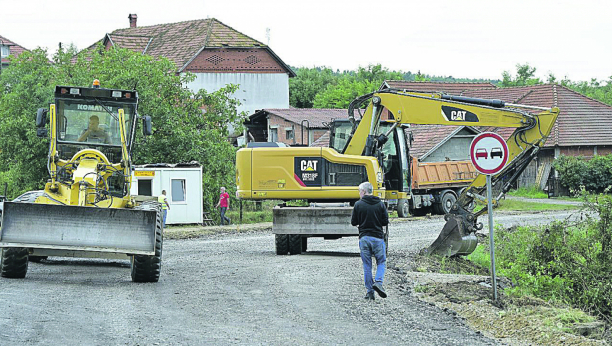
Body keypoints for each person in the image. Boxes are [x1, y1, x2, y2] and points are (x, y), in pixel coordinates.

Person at [351, 181, 389, 300]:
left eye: (359, 191)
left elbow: (353, 222)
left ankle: (370, 292)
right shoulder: (380, 204)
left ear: (363, 191)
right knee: (381, 262)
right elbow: (385, 221)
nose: (359, 193)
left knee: (367, 265)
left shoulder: (358, 204)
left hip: (364, 238)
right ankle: (378, 282)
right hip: (378, 238)